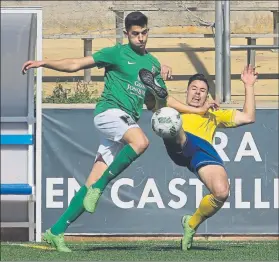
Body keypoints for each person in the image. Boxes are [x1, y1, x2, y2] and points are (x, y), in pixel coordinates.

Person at [22, 11, 216, 252]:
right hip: (109, 113)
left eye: (144, 33)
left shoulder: (153, 65)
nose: (141, 38)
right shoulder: (116, 53)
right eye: (135, 34)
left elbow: (157, 104)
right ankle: (100, 187)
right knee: (141, 142)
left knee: (91, 181)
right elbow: (76, 64)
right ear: (126, 34)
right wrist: (44, 63)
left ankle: (56, 231)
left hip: (124, 123)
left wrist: (192, 110)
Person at [147, 64, 258, 251]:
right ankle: (177, 132)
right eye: (194, 89)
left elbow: (248, 117)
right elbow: (151, 101)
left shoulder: (213, 115)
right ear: (187, 91)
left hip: (202, 152)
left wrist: (248, 85)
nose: (197, 94)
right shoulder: (173, 107)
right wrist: (156, 76)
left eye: (203, 91)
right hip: (179, 143)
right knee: (169, 117)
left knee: (222, 192)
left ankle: (191, 223)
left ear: (208, 96)